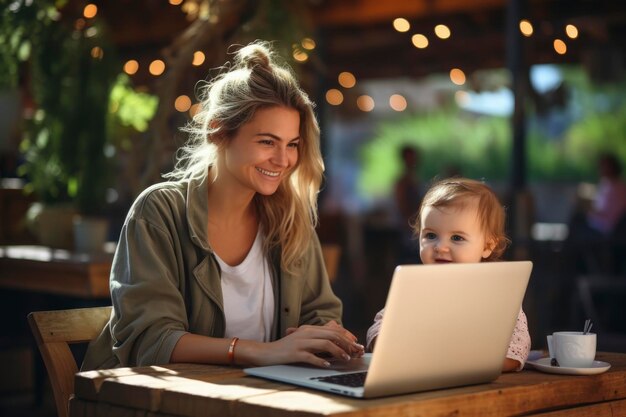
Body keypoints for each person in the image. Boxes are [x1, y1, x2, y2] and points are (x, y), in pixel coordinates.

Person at [82, 41, 363, 371]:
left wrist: (328, 337)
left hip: (257, 399)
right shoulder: (159, 211)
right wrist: (262, 352)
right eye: (267, 142)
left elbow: (320, 314)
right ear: (218, 132)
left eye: (292, 145)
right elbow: (151, 340)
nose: (283, 159)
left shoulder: (290, 218)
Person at [366, 178, 531, 372]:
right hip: (420, 378)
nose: (440, 247)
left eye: (457, 238)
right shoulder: (416, 287)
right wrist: (384, 341)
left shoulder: (498, 292)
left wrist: (466, 363)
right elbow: (378, 329)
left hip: (480, 384)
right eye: (431, 235)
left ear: (487, 246)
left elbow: (517, 349)